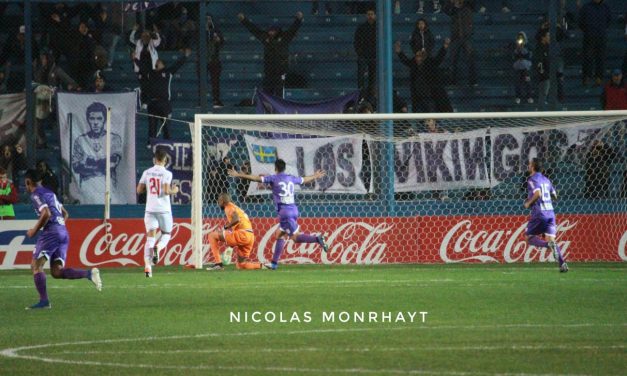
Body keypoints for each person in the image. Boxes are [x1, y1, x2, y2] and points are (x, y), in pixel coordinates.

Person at [228, 159, 329, 270]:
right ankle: (274, 264)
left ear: (275, 168)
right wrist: (315, 176)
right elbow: (304, 180)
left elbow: (256, 178)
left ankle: (317, 239)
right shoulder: (290, 177)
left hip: (285, 212)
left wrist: (238, 175)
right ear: (284, 168)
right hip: (293, 210)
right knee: (280, 234)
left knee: (295, 238)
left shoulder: (273, 178)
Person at [24, 169, 102, 309]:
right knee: (57, 271)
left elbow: (46, 213)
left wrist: (33, 231)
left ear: (28, 182)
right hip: (63, 231)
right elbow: (65, 213)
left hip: (52, 232)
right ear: (40, 181)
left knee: (36, 266)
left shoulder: (36, 194)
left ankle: (44, 302)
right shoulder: (50, 193)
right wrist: (59, 227)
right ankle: (89, 273)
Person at [238, 11, 303, 97]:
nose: (270, 33)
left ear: (277, 31)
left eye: (272, 31)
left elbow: (293, 29)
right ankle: (267, 110)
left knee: (279, 96)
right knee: (267, 96)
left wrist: (299, 19)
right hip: (268, 72)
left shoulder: (285, 37)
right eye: (269, 31)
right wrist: (243, 20)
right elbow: (254, 29)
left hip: (280, 73)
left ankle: (278, 110)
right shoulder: (265, 37)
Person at [136, 148, 179, 278]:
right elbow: (166, 191)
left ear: (155, 159)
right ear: (165, 160)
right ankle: (158, 248)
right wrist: (175, 190)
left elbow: (139, 190)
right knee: (166, 233)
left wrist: (149, 189)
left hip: (150, 209)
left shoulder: (147, 172)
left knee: (150, 238)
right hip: (164, 210)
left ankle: (148, 268)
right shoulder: (167, 173)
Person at [71, 102, 122, 204]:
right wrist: (101, 163)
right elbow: (77, 167)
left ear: (105, 120)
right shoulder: (80, 140)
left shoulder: (114, 139)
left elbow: (112, 164)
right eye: (92, 118)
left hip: (108, 187)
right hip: (87, 189)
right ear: (88, 120)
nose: (95, 122)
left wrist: (89, 162)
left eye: (99, 118)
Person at [136, 48, 191, 143]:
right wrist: (135, 59)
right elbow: (142, 67)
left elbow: (177, 65)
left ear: (163, 64)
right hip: (152, 103)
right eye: (156, 61)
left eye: (159, 61)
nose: (157, 62)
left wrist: (185, 56)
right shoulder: (150, 73)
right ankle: (151, 145)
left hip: (164, 103)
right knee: (152, 127)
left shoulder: (168, 72)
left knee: (166, 127)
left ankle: (168, 144)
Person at [523, 159, 568, 273]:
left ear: (532, 166)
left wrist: (528, 203)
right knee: (552, 240)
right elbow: (555, 196)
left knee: (529, 238)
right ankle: (562, 264)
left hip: (539, 213)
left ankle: (547, 245)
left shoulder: (532, 179)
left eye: (529, 164)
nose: (528, 166)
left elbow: (538, 194)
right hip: (550, 213)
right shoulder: (547, 180)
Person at [206, 193, 267, 271]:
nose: (218, 203)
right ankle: (263, 266)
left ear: (222, 201)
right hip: (250, 236)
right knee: (241, 265)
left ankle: (218, 264)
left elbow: (236, 219)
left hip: (242, 234)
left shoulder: (229, 207)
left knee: (212, 235)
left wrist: (226, 227)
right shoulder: (235, 207)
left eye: (218, 201)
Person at [395, 39, 453, 113]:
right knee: (419, 112)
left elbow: (439, 58)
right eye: (417, 56)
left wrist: (445, 47)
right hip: (418, 94)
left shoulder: (430, 63)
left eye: (420, 56)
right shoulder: (413, 63)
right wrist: (399, 52)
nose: (418, 58)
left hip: (430, 93)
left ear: (424, 57)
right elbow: (406, 60)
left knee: (431, 110)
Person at [443, 0, 477, 86]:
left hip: (467, 37)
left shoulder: (467, 6)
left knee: (470, 60)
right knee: (453, 60)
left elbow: (473, 4)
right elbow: (446, 10)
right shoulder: (452, 8)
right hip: (455, 37)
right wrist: (453, 3)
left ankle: (472, 82)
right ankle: (452, 82)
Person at [579, 0, 611, 86]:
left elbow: (608, 20)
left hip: (601, 37)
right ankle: (587, 77)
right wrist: (588, 31)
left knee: (600, 58)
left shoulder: (605, 7)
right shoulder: (586, 7)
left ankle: (599, 78)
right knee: (587, 58)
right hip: (589, 37)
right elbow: (580, 22)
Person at [354, 9, 377, 99]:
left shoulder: (378, 27)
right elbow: (356, 41)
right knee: (361, 77)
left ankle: (371, 97)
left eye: (372, 14)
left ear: (375, 15)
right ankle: (361, 96)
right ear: (366, 16)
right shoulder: (361, 27)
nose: (370, 16)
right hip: (363, 55)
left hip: (374, 56)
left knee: (373, 77)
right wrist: (360, 53)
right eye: (368, 14)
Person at [206, 15, 225, 108]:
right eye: (206, 19)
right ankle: (201, 102)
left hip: (214, 60)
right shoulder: (201, 31)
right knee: (202, 81)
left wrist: (218, 39)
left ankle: (216, 100)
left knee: (215, 81)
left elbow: (222, 42)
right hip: (203, 60)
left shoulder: (216, 31)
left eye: (209, 19)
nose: (208, 21)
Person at [512, 31, 533, 104]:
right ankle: (518, 97)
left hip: (526, 67)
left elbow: (528, 55)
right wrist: (518, 48)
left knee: (528, 82)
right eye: (519, 38)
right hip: (518, 67)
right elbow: (514, 56)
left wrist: (523, 48)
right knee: (518, 83)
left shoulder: (528, 45)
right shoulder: (515, 45)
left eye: (522, 38)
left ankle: (529, 97)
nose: (520, 39)